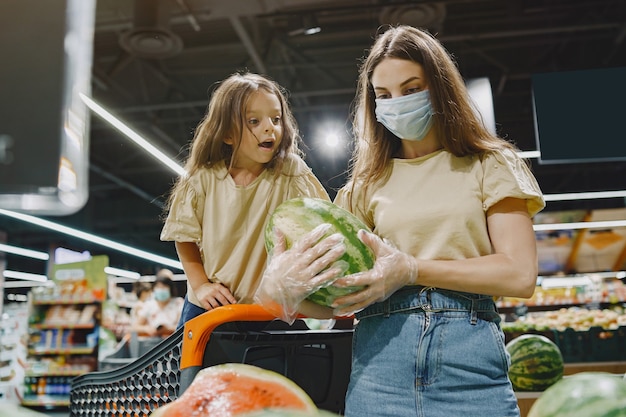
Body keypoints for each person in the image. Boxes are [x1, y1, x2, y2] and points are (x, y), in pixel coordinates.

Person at [261, 25, 545, 417]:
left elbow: (519, 274)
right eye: (384, 95)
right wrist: (283, 292)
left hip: (469, 369)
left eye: (411, 89)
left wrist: (410, 269)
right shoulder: (364, 185)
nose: (397, 102)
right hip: (379, 369)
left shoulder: (491, 164)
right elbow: (343, 297)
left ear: (441, 88)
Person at [160, 72, 332, 329]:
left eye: (276, 119)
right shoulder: (203, 179)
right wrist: (202, 285)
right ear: (228, 134)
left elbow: (324, 226)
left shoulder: (291, 172)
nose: (269, 127)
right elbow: (183, 237)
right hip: (210, 309)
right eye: (254, 120)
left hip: (270, 312)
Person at [133, 269, 183, 337]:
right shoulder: (149, 305)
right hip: (153, 343)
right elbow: (135, 327)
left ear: (170, 288)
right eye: (158, 287)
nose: (161, 289)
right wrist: (146, 329)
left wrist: (168, 329)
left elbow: (183, 326)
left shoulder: (178, 303)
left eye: (164, 287)